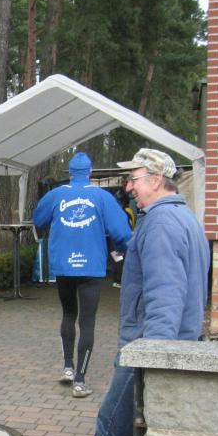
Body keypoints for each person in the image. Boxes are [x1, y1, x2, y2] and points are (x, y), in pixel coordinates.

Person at [41, 148, 210, 436]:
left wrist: (154, 353)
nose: (128, 187)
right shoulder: (182, 217)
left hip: (147, 344)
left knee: (112, 418)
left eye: (133, 179)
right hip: (166, 341)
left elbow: (165, 294)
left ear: (155, 179)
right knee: (132, 418)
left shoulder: (162, 225)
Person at [32, 152, 132, 398]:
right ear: (90, 172)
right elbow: (121, 232)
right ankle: (80, 380)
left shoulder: (56, 195)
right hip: (91, 267)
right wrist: (121, 250)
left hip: (64, 266)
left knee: (68, 314)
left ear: (70, 172)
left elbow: (38, 219)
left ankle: (68, 367)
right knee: (87, 322)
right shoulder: (102, 197)